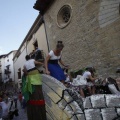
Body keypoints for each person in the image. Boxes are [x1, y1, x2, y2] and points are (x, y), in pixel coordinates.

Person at [22, 55, 47, 120]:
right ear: (30, 58)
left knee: (33, 86)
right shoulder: (32, 60)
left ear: (26, 59)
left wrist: (27, 74)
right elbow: (38, 63)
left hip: (30, 74)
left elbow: (24, 70)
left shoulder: (25, 64)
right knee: (38, 84)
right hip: (35, 72)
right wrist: (43, 64)